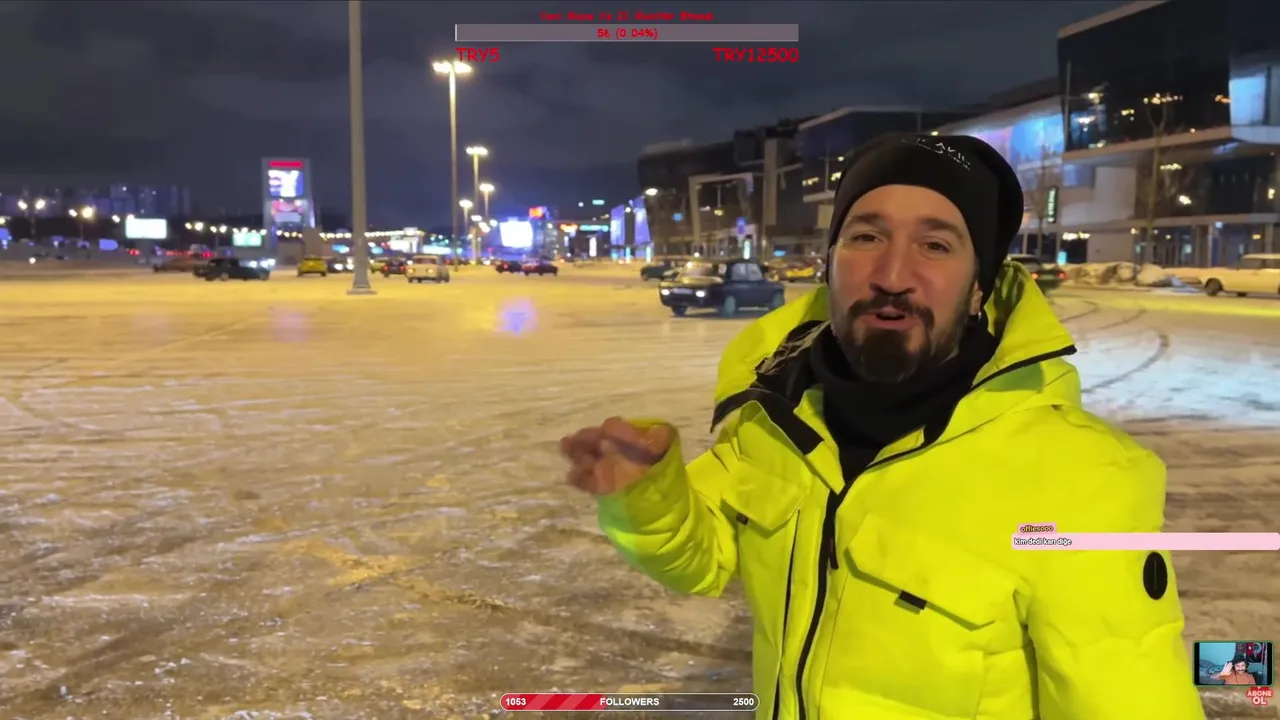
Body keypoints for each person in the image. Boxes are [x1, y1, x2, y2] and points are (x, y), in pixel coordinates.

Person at [560, 133, 1206, 719]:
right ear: (831, 261)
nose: (893, 276)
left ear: (979, 287)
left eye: (935, 245)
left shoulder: (1080, 480)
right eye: (867, 237)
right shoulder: (777, 413)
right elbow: (703, 560)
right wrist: (649, 494)